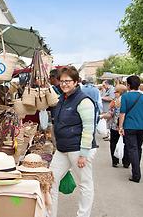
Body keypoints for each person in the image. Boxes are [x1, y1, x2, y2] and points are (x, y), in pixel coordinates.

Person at [50, 66, 97, 217]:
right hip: (63, 149)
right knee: (50, 181)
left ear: (76, 82)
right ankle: (50, 214)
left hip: (79, 149)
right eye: (62, 81)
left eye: (68, 81)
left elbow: (89, 129)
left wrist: (84, 154)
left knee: (85, 184)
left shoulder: (83, 101)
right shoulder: (62, 99)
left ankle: (83, 215)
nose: (64, 84)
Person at [119, 75, 143, 183]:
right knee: (138, 148)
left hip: (130, 126)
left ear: (128, 85)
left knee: (132, 149)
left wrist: (120, 127)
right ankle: (135, 168)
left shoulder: (125, 97)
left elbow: (122, 113)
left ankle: (136, 174)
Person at [101, 84, 129, 168]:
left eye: (115, 91)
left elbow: (110, 114)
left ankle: (115, 161)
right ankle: (126, 162)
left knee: (113, 143)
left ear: (120, 92)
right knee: (126, 144)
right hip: (126, 126)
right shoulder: (128, 100)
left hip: (115, 126)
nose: (114, 93)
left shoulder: (115, 101)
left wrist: (102, 116)